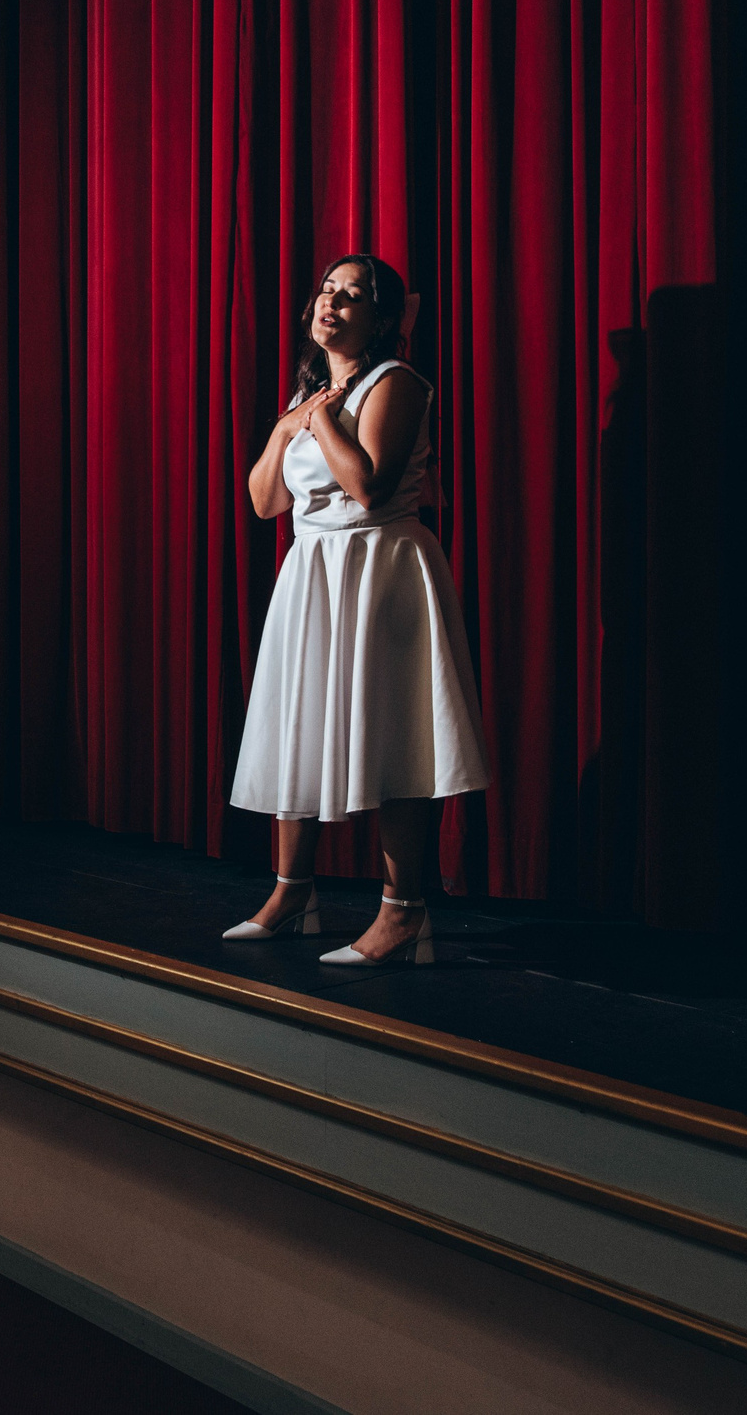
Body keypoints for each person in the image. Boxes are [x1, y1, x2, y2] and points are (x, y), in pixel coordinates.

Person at [224, 254, 491, 964]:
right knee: (299, 722)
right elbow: (263, 502)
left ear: (380, 320)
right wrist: (288, 428)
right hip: (313, 570)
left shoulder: (394, 383)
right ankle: (290, 893)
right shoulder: (309, 397)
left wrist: (317, 422)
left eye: (351, 296)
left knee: (395, 731)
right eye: (325, 291)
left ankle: (403, 913)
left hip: (380, 568)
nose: (330, 304)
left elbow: (368, 487)